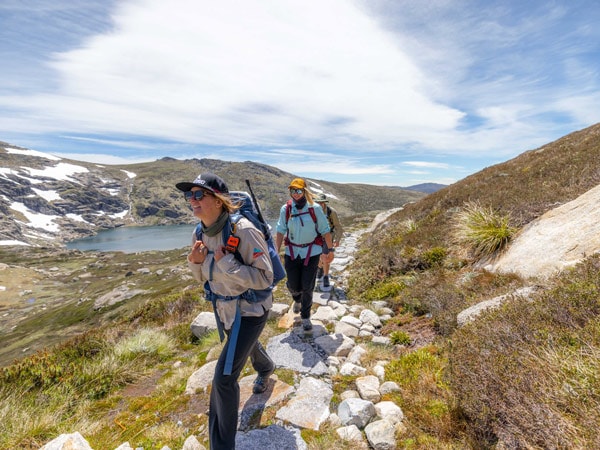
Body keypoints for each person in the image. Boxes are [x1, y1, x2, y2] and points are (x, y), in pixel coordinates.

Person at [176, 172, 275, 450]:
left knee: (223, 380)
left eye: (199, 195)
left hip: (251, 310)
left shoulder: (243, 230)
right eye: (189, 195)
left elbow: (265, 279)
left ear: (218, 201)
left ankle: (221, 446)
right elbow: (203, 277)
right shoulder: (198, 233)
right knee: (244, 347)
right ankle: (266, 368)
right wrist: (194, 262)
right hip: (225, 311)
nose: (192, 200)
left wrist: (229, 264)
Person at [275, 178, 334, 331]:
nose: (295, 193)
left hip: (312, 252)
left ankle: (306, 316)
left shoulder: (314, 208)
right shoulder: (286, 209)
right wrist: (276, 250)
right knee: (293, 285)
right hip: (292, 252)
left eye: (298, 190)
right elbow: (281, 230)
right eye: (292, 190)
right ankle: (297, 300)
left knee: (308, 285)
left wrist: (330, 251)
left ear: (304, 191)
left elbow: (325, 230)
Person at [314, 193, 344, 288]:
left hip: (328, 237)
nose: (319, 204)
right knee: (317, 257)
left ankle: (326, 276)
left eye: (321, 203)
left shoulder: (331, 212)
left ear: (324, 203)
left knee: (325, 257)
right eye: (317, 202)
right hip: (316, 237)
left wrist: (337, 240)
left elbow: (338, 227)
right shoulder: (312, 211)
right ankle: (320, 268)